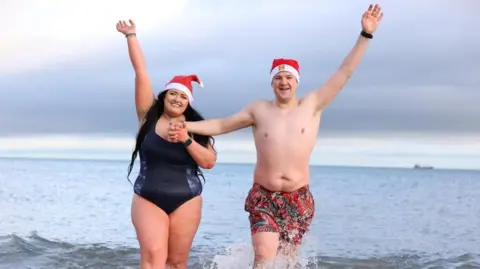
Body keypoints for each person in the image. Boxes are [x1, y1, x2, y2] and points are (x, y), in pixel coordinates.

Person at [170, 4, 384, 268]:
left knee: (288, 261)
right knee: (263, 256)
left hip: (299, 198)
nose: (284, 82)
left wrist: (365, 35)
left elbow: (344, 72)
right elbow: (222, 125)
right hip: (264, 197)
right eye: (278, 78)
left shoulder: (313, 104)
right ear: (272, 82)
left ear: (297, 81)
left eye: (289, 78)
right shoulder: (258, 110)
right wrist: (187, 126)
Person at [116, 20, 217, 269]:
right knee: (152, 257)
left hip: (187, 199)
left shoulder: (196, 127)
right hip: (148, 197)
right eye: (173, 93)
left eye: (183, 96)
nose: (177, 99)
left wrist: (186, 139)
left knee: (176, 262)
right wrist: (131, 36)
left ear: (188, 102)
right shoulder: (148, 115)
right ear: (165, 95)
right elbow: (141, 71)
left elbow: (208, 162)